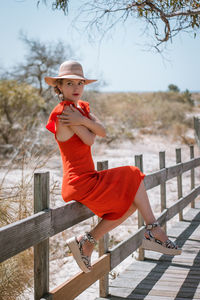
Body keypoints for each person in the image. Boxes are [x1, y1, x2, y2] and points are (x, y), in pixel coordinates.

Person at [45, 61, 181, 273]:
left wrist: (83, 119)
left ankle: (88, 242)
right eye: (69, 83)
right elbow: (91, 139)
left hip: (88, 177)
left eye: (80, 83)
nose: (76, 88)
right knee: (132, 174)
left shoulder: (79, 109)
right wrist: (85, 122)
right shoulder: (64, 112)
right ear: (59, 87)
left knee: (132, 201)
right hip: (79, 181)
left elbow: (103, 131)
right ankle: (154, 230)